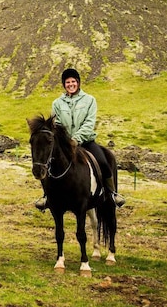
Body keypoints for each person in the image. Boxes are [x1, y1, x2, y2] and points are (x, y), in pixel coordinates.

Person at [34, 67, 125, 211]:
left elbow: (89, 123)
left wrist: (76, 139)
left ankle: (111, 193)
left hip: (86, 142)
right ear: (64, 85)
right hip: (65, 145)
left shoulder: (89, 100)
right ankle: (47, 197)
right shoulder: (57, 103)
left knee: (104, 162)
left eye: (73, 81)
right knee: (49, 165)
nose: (71, 84)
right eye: (67, 82)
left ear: (78, 82)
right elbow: (55, 125)